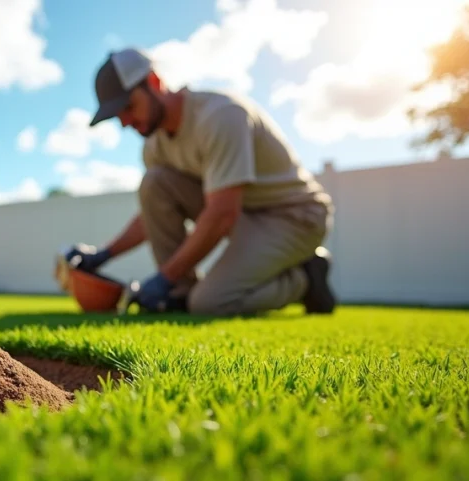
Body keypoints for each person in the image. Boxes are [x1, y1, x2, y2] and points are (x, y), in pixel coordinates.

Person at [65, 47, 337, 316]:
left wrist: (164, 278)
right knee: (154, 183)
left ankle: (305, 279)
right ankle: (179, 294)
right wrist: (103, 255)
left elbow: (222, 214)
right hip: (244, 213)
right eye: (117, 115)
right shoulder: (155, 146)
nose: (124, 122)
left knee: (209, 303)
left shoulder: (220, 116)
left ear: (154, 82)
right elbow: (152, 214)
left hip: (294, 218)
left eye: (128, 106)